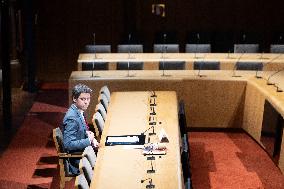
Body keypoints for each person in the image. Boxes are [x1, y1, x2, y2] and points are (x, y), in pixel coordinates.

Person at [62, 83, 99, 175]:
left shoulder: (79, 111)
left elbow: (82, 130)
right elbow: (68, 144)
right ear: (74, 99)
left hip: (86, 153)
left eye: (88, 99)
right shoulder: (72, 118)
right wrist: (89, 140)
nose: (86, 102)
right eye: (83, 99)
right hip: (79, 160)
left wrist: (92, 138)